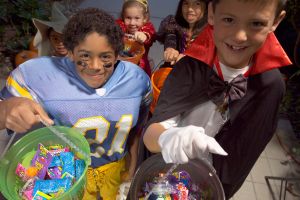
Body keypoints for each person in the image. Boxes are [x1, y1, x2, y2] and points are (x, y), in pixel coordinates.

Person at [143, 0, 291, 198]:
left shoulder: (270, 87)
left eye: (256, 23)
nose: (240, 36)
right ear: (211, 12)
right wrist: (167, 137)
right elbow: (151, 134)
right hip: (166, 170)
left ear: (276, 21)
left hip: (210, 184)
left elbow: (244, 156)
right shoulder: (190, 66)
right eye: (229, 19)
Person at [0, 8, 151, 200]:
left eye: (105, 56)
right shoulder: (35, 75)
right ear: (70, 52)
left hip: (113, 175)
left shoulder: (137, 80)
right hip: (60, 180)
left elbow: (136, 128)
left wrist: (132, 165)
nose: (95, 66)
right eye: (85, 56)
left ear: (117, 53)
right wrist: (5, 110)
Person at [156, 0, 207, 66]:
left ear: (206, 7)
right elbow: (171, 37)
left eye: (197, 3)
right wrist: (170, 49)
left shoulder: (211, 32)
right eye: (186, 3)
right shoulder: (174, 24)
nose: (190, 9)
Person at [116, 0, 156, 77]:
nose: (132, 23)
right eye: (128, 18)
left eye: (137, 18)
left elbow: (151, 34)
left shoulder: (147, 27)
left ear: (144, 18)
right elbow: (113, 29)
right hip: (119, 65)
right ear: (123, 17)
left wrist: (144, 35)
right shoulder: (119, 25)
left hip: (139, 67)